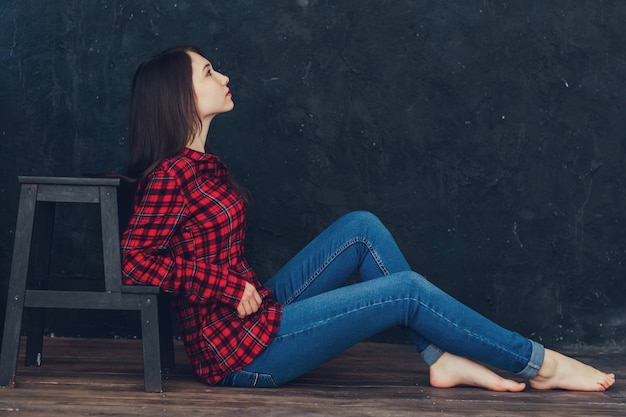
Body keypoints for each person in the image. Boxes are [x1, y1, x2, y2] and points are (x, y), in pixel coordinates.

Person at [120, 45, 615, 391]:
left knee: (362, 228)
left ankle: (440, 361)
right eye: (208, 72)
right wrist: (224, 288)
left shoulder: (202, 167)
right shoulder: (170, 177)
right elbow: (134, 264)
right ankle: (538, 364)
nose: (224, 77)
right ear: (178, 96)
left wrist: (238, 290)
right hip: (239, 355)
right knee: (408, 292)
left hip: (254, 319)